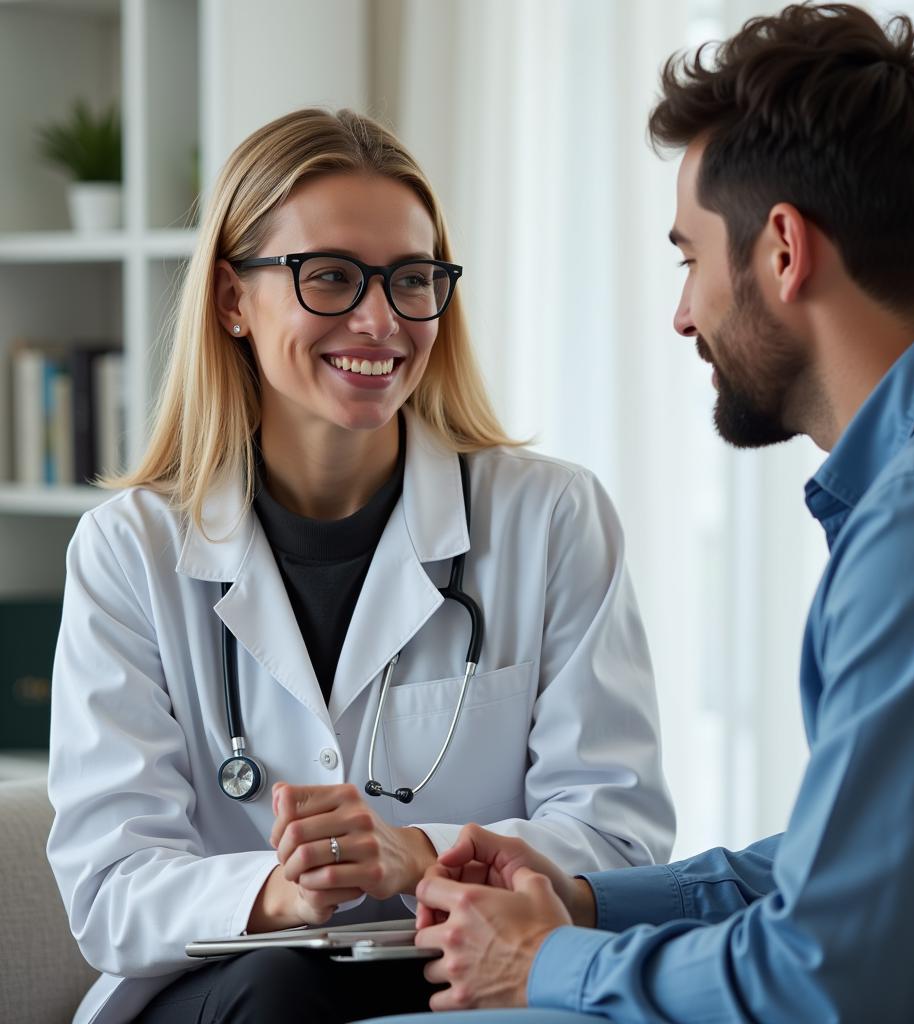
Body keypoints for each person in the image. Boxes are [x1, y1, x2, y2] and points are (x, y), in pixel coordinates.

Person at [367, 5, 914, 1022]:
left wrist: (546, 962)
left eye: (687, 257)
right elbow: (853, 870)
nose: (681, 313)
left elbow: (828, 973)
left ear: (781, 250)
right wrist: (584, 900)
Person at [45, 108, 675, 1024]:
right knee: (285, 987)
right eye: (331, 277)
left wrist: (417, 852)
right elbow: (109, 889)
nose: (381, 321)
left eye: (411, 280)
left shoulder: (551, 518)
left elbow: (620, 840)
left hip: (469, 972)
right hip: (230, 986)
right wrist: (282, 891)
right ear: (231, 300)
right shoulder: (128, 549)